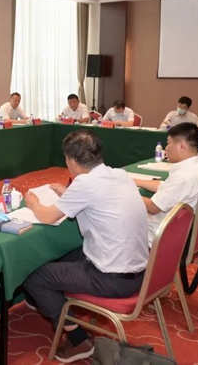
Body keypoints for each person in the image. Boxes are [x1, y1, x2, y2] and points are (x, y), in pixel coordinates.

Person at [23, 130, 148, 363]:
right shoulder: (119, 174)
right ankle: (47, 302)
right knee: (65, 256)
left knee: (34, 277)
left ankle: (78, 339)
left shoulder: (84, 184)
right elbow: (98, 197)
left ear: (71, 160)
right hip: (140, 273)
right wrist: (69, 193)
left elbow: (48, 216)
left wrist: (33, 203)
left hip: (111, 279)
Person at [134, 123, 198, 246]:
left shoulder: (183, 177)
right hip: (180, 229)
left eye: (169, 143)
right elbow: (166, 187)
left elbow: (153, 207)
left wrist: (127, 191)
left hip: (159, 234)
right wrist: (134, 181)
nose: (166, 148)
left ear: (181, 146)